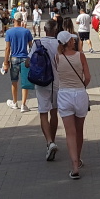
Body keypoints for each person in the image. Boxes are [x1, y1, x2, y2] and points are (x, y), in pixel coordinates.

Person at [54, 30, 90, 179]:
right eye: (72, 39)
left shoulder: (57, 57)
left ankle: (74, 166)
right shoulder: (80, 56)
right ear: (68, 42)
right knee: (79, 130)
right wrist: (82, 86)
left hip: (64, 95)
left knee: (70, 132)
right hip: (80, 94)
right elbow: (88, 77)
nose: (74, 41)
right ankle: (78, 159)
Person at [34, 20, 61, 161]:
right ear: (55, 30)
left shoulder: (37, 43)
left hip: (41, 82)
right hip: (56, 82)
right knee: (54, 113)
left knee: (43, 113)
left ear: (44, 29)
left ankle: (49, 142)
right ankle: (53, 141)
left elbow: (28, 62)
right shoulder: (59, 44)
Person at [2, 16, 33, 112]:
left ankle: (15, 102)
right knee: (25, 82)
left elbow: (7, 48)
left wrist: (5, 62)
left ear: (13, 20)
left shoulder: (9, 32)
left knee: (14, 81)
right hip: (25, 58)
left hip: (14, 58)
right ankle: (23, 104)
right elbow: (31, 46)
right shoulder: (26, 31)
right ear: (21, 20)